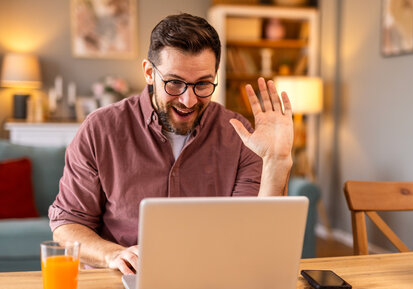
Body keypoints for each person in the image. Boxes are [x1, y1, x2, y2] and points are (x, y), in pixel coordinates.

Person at [49, 13, 293, 275]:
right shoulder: (99, 129)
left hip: (210, 280)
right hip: (120, 282)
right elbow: (68, 224)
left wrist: (276, 162)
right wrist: (114, 254)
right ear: (149, 73)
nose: (189, 100)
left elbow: (253, 237)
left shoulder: (241, 135)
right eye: (174, 83)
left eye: (202, 84)